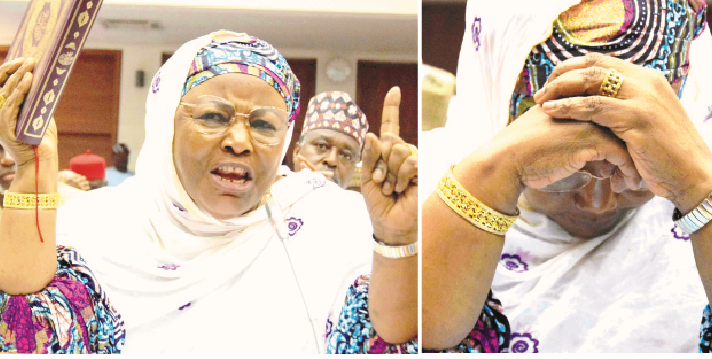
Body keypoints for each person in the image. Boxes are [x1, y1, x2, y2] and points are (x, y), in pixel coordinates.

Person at [421, 0, 712, 353]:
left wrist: (700, 187)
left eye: (633, 170)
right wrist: (498, 169)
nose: (598, 202)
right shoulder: (416, 188)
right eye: (561, 172)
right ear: (496, 106)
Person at [0, 30, 417, 353]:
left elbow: (389, 340)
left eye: (265, 124)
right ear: (165, 126)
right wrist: (32, 170)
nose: (240, 140)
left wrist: (397, 241)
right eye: (214, 116)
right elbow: (24, 337)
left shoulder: (328, 224)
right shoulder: (92, 227)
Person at [292, 91, 368, 189]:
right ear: (297, 152)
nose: (332, 160)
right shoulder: (271, 197)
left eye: (346, 155)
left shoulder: (359, 203)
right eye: (322, 146)